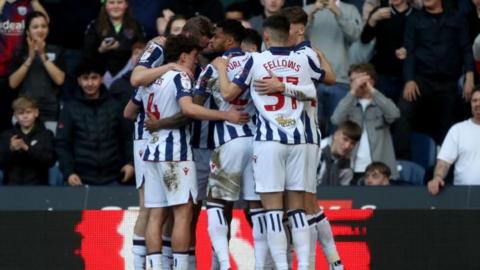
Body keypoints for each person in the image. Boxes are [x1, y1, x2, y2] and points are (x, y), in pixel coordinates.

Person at [126, 34, 247, 270]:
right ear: (183, 56)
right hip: (176, 153)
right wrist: (227, 115)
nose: (195, 62)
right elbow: (188, 109)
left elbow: (129, 111)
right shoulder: (180, 76)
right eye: (193, 57)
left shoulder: (150, 79)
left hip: (150, 152)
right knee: (183, 214)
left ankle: (155, 266)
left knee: (155, 214)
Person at [215, 15, 323, 270]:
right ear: (288, 35)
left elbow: (229, 93)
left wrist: (221, 68)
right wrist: (283, 86)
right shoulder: (301, 59)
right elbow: (311, 92)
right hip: (297, 139)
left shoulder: (255, 59)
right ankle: (305, 266)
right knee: (297, 210)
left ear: (265, 37)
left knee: (273, 211)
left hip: (269, 141)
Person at [276, 6, 343, 270]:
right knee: (291, 204)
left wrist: (321, 56)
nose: (282, 32)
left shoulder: (305, 54)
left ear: (300, 29)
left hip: (303, 136)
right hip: (283, 137)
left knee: (306, 202)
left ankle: (332, 262)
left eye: (287, 26)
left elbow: (330, 78)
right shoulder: (290, 54)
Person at [196, 19, 258, 270]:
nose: (212, 40)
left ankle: (221, 264)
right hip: (257, 142)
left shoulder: (213, 68)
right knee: (259, 208)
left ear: (229, 40)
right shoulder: (258, 62)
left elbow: (195, 104)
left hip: (229, 143)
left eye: (217, 36)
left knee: (218, 203)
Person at [394, 0, 475, 159]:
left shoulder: (457, 18)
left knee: (449, 127)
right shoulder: (414, 19)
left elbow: (466, 49)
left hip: (449, 82)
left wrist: (470, 76)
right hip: (421, 80)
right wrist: (409, 80)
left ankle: (446, 171)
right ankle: (404, 163)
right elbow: (409, 51)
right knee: (402, 111)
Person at [55, 58, 134, 186]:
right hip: (80, 180)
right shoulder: (69, 109)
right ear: (79, 81)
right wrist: (69, 172)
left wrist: (131, 164)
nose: (90, 83)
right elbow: (62, 144)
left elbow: (128, 138)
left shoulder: (116, 106)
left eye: (94, 78)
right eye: (85, 78)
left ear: (102, 78)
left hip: (115, 178)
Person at [331, 63, 400, 183]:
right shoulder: (348, 104)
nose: (354, 84)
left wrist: (372, 90)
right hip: (352, 170)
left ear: (371, 80)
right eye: (352, 81)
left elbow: (394, 114)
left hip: (379, 172)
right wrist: (352, 93)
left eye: (357, 80)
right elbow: (336, 120)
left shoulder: (381, 103)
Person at [305, 0, 363, 135]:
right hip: (312, 80)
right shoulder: (308, 8)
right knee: (311, 131)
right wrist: (312, 11)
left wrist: (337, 12)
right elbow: (298, 35)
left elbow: (355, 35)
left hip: (340, 80)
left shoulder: (350, 9)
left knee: (338, 130)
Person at [8, 11, 65, 134]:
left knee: (48, 148)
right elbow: (12, 83)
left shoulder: (56, 50)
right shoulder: (19, 52)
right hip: (24, 110)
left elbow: (60, 80)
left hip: (49, 109)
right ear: (28, 31)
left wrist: (42, 54)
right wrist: (30, 58)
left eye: (43, 26)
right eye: (35, 27)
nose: (40, 30)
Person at [0, 0, 48, 134]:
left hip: (20, 62)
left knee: (17, 115)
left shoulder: (27, 4)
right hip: (1, 68)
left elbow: (45, 20)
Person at [427, 87, 480, 195]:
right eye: (474, 100)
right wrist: (437, 177)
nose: (477, 104)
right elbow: (444, 162)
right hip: (463, 196)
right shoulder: (458, 129)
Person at [360, 0, 414, 102]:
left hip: (406, 76)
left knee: (402, 115)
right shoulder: (380, 12)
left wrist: (409, 50)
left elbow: (423, 44)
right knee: (380, 114)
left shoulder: (416, 14)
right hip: (382, 74)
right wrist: (373, 19)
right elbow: (365, 39)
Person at [0, 96, 55, 185]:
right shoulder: (7, 135)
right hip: (11, 188)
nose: (25, 116)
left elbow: (50, 160)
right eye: (21, 113)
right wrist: (10, 149)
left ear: (36, 113)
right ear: (15, 115)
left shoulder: (46, 135)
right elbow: (1, 162)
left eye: (28, 112)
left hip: (38, 187)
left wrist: (27, 149)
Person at [84, 0, 145, 78]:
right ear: (105, 5)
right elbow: (87, 54)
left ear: (126, 4)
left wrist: (120, 47)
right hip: (100, 74)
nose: (116, 6)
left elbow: (142, 49)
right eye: (111, 2)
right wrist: (101, 49)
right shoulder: (94, 26)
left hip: (129, 73)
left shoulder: (136, 26)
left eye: (120, 2)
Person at [318, 120, 362, 186]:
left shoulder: (348, 164)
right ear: (335, 135)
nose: (347, 146)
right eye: (345, 139)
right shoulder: (316, 151)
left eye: (353, 143)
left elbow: (343, 190)